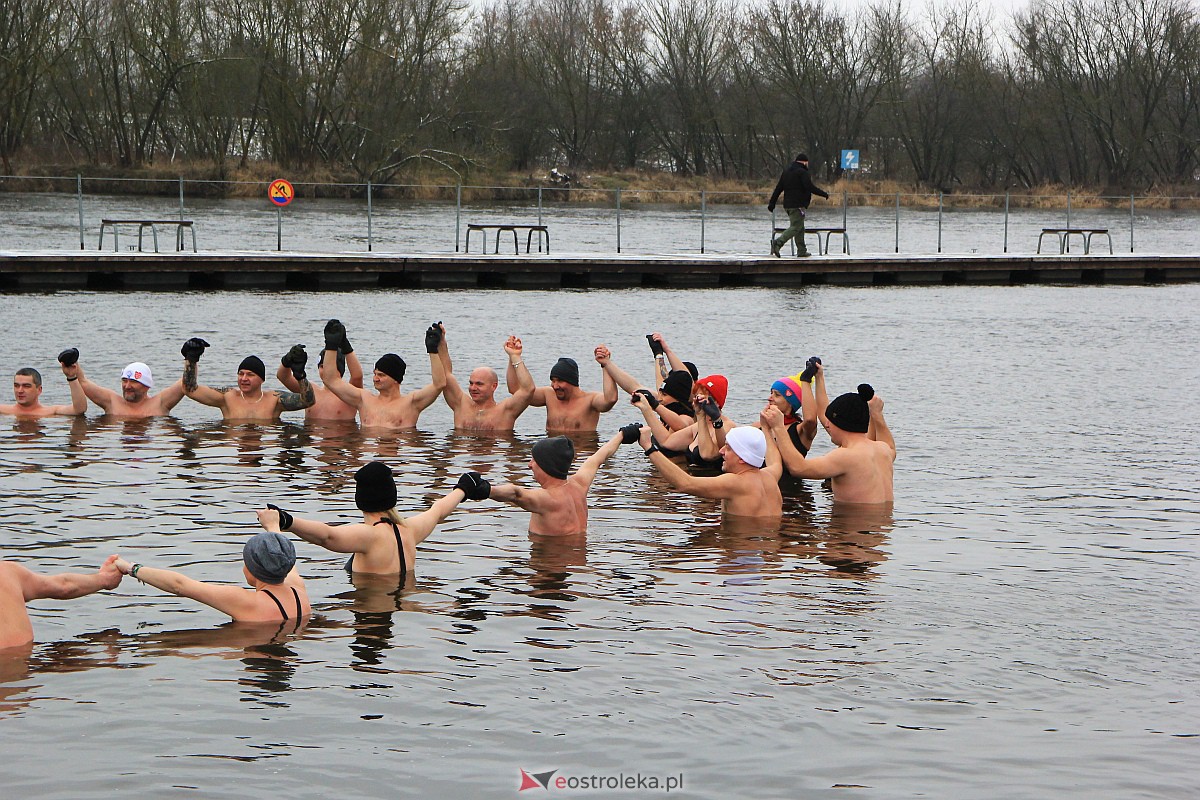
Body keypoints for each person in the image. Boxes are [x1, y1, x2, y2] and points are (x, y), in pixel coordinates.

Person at [259, 461, 491, 577]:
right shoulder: (408, 529)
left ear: (361, 498)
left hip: (370, 611)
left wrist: (285, 520)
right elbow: (438, 510)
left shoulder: (369, 535)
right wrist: (463, 488)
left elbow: (327, 536)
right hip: (402, 601)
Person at [114, 531, 311, 623]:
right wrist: (273, 526)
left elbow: (179, 586)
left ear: (252, 569)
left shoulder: (246, 601)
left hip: (257, 653)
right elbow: (282, 556)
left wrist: (130, 568)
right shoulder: (298, 590)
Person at [760, 383, 895, 504]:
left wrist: (778, 427)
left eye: (829, 421)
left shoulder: (845, 456)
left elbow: (798, 468)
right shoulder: (883, 450)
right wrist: (877, 415)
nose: (827, 425)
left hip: (851, 528)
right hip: (882, 529)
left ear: (841, 423)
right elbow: (890, 445)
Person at [635, 423, 783, 521]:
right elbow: (776, 462)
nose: (721, 451)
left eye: (728, 448)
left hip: (741, 554)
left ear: (743, 458)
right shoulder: (770, 476)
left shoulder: (735, 482)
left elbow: (685, 484)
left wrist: (649, 447)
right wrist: (768, 427)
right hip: (765, 551)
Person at [489, 432, 626, 535]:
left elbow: (515, 494)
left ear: (545, 465)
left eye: (534, 460)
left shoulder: (547, 499)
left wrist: (486, 489)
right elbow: (597, 458)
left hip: (550, 565)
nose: (530, 465)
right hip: (578, 561)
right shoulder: (579, 485)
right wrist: (622, 435)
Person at [318, 322, 446, 429]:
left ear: (396, 379)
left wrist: (432, 350)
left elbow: (439, 384)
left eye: (381, 375)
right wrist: (331, 345)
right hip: (369, 456)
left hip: (396, 457)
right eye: (375, 374)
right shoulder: (364, 400)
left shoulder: (411, 403)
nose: (375, 378)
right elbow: (331, 380)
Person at [0, 556, 123, 649]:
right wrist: (105, 579)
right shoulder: (7, 573)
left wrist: (105, 579)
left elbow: (64, 587)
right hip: (26, 669)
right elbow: (63, 587)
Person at [181, 338, 315, 421]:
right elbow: (190, 389)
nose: (244, 378)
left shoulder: (274, 399)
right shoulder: (227, 397)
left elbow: (307, 401)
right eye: (241, 374)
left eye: (250, 375)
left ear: (262, 379)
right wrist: (191, 359)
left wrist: (300, 375)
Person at [436, 323, 534, 432]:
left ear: (494, 386)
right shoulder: (460, 404)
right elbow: (445, 374)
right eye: (471, 383)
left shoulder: (505, 411)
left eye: (479, 384)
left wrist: (515, 356)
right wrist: (441, 342)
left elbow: (527, 389)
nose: (473, 388)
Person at [630, 374, 732, 469]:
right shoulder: (696, 427)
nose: (697, 400)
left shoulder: (728, 427)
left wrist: (703, 416)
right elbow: (666, 442)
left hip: (713, 484)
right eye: (696, 396)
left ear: (717, 403)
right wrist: (646, 408)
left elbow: (707, 455)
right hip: (692, 482)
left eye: (702, 397)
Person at [275, 320, 364, 422]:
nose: (326, 369)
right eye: (322, 366)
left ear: (340, 368)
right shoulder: (311, 390)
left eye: (329, 366)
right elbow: (283, 377)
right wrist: (287, 360)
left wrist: (346, 347)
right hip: (311, 436)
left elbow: (357, 376)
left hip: (340, 437)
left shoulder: (348, 393)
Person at [598, 343, 696, 433]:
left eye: (665, 395)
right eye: (661, 393)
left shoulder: (695, 413)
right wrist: (607, 363)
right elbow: (635, 387)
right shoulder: (668, 401)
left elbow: (681, 426)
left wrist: (654, 406)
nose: (660, 398)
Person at [516, 348, 618, 432]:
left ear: (572, 381)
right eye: (553, 380)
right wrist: (514, 357)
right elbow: (516, 391)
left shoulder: (590, 401)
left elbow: (610, 399)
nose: (555, 386)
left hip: (581, 453)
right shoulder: (549, 395)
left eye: (560, 381)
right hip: (552, 453)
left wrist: (605, 365)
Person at [70, 352, 185, 417]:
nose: (127, 386)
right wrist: (72, 362)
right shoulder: (112, 402)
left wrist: (191, 359)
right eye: (124, 380)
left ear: (146, 386)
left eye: (134, 382)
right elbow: (83, 382)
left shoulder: (159, 403)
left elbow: (185, 384)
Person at [768, 152, 830, 258]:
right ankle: (778, 243)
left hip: (787, 205)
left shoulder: (786, 172)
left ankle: (801, 250)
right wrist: (823, 194)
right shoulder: (802, 172)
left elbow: (778, 188)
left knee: (800, 227)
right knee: (796, 227)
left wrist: (772, 203)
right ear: (805, 162)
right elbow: (809, 187)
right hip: (797, 205)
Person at [761, 357, 823, 458]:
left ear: (791, 402)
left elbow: (810, 420)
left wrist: (805, 380)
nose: (769, 398)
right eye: (771, 393)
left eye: (777, 395)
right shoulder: (761, 425)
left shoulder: (799, 430)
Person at [0, 351, 88, 418]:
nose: (20, 390)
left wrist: (71, 377)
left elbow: (79, 410)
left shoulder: (51, 412)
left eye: (26, 386)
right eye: (16, 386)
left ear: (39, 390)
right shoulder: (3, 410)